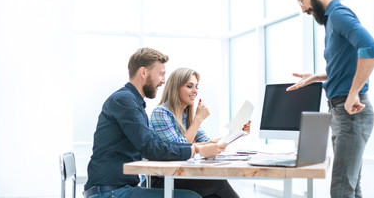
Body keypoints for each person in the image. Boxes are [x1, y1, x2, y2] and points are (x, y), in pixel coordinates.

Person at [289, 0, 374, 198]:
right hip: (342, 111)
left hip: (350, 112)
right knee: (350, 188)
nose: (303, 9)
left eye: (302, 1)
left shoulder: (339, 15)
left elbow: (370, 49)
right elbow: (345, 67)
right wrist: (316, 77)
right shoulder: (332, 20)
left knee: (342, 190)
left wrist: (353, 94)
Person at [83, 48, 227, 198]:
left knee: (208, 191)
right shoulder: (124, 101)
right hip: (110, 192)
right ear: (143, 72)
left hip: (119, 189)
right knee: (192, 197)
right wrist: (196, 150)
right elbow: (150, 148)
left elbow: (155, 144)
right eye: (161, 74)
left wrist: (197, 146)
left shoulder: (133, 102)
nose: (163, 81)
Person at [149, 67, 250, 198]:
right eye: (189, 86)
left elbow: (209, 143)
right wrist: (198, 119)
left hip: (180, 175)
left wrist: (237, 132)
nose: (195, 91)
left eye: (196, 87)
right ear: (175, 88)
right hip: (162, 179)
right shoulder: (161, 113)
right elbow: (178, 148)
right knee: (218, 184)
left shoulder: (186, 116)